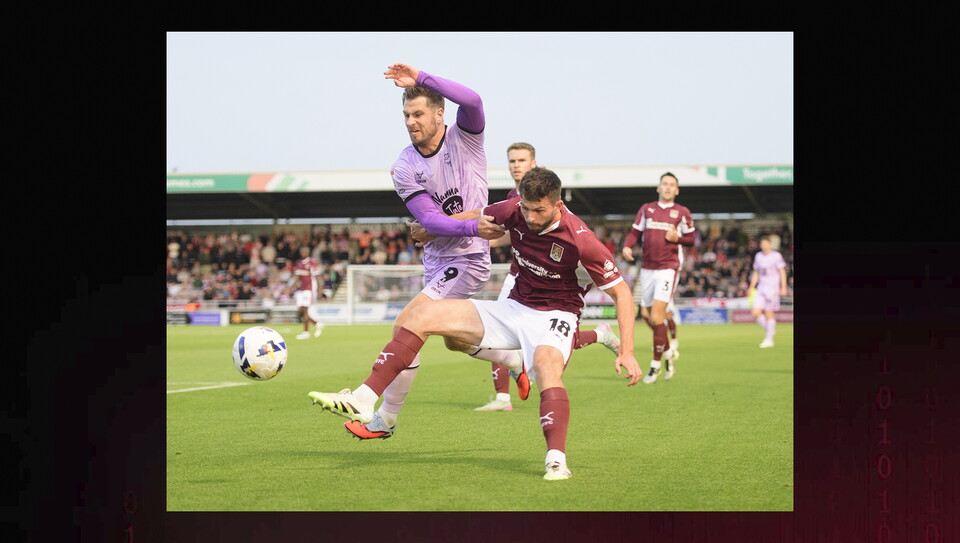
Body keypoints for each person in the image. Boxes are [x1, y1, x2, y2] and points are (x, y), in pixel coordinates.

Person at [309, 167, 641, 480]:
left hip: (556, 315)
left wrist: (627, 351)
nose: (530, 217)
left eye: (539, 210)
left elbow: (623, 295)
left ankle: (556, 459)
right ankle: (365, 399)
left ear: (558, 204)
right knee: (420, 316)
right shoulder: (516, 209)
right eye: (526, 208)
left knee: (545, 368)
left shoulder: (582, 240)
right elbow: (478, 216)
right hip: (514, 308)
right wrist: (434, 225)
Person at [339, 63, 510, 441]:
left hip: (468, 259)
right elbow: (430, 221)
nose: (411, 122)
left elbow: (474, 99)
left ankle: (382, 415)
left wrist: (421, 78)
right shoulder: (403, 166)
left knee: (407, 324)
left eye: (418, 114)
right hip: (435, 262)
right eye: (406, 116)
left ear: (439, 113)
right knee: (454, 340)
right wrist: (470, 223)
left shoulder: (465, 138)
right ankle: (514, 358)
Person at [411, 141, 620, 412]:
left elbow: (543, 232)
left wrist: (452, 232)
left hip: (549, 281)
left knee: (540, 340)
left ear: (533, 163)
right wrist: (448, 231)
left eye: (521, 160)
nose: (516, 165)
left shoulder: (543, 191)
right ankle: (504, 394)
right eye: (512, 161)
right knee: (491, 335)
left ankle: (597, 336)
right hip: (519, 275)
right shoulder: (514, 195)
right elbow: (495, 226)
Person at [620, 172, 696, 384]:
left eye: (672, 185)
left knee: (656, 317)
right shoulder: (647, 209)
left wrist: (677, 238)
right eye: (665, 184)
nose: (668, 187)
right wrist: (627, 245)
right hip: (647, 268)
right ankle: (669, 350)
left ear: (677, 190)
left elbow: (691, 238)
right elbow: (635, 232)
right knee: (645, 315)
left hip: (667, 268)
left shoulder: (682, 212)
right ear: (658, 187)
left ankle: (655, 365)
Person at [748, 236, 787, 348]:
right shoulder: (758, 256)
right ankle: (769, 330)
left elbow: (782, 271)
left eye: (766, 243)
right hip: (761, 288)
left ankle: (769, 340)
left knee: (769, 313)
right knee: (755, 313)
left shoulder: (776, 256)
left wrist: (783, 287)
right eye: (762, 244)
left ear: (770, 244)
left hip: (772, 288)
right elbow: (756, 272)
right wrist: (751, 286)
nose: (764, 245)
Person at [293, 246, 324, 339]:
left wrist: (320, 289)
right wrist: (290, 288)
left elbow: (317, 276)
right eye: (302, 250)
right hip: (301, 290)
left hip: (309, 289)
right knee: (300, 311)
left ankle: (306, 332)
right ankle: (316, 323)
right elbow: (297, 278)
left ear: (308, 252)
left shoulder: (312, 262)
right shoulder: (299, 263)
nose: (304, 252)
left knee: (306, 311)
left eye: (305, 251)